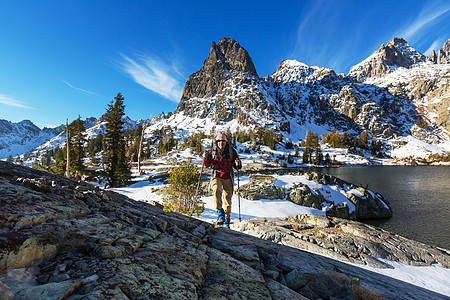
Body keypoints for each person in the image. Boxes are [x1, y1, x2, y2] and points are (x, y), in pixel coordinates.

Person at [203, 133, 242, 228]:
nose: (221, 143)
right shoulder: (212, 151)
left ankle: (226, 221)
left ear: (226, 142)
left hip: (228, 176)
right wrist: (205, 158)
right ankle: (220, 214)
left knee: (227, 199)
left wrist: (238, 164)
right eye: (219, 141)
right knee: (216, 190)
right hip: (216, 175)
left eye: (223, 141)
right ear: (216, 142)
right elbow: (206, 165)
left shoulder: (231, 151)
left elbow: (237, 166)